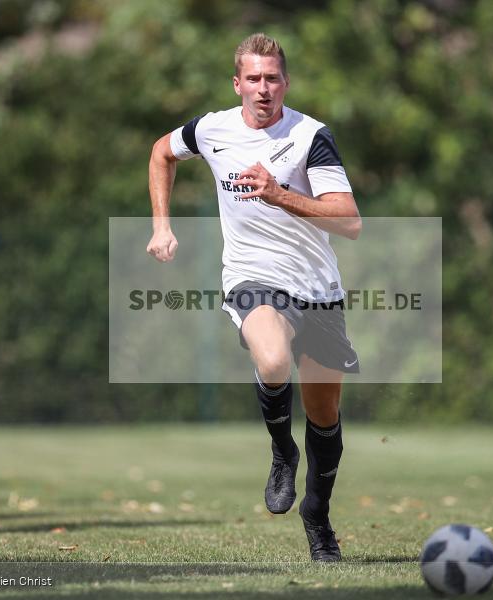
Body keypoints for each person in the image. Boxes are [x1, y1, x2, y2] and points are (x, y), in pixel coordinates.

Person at [146, 33, 361, 561]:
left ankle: (318, 516)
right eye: (254, 79)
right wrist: (160, 226)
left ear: (285, 82)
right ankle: (281, 452)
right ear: (237, 83)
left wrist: (279, 193)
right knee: (271, 360)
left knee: (326, 417)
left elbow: (350, 221)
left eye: (273, 79)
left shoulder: (311, 136)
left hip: (318, 289)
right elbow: (160, 152)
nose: (263, 89)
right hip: (251, 278)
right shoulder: (211, 129)